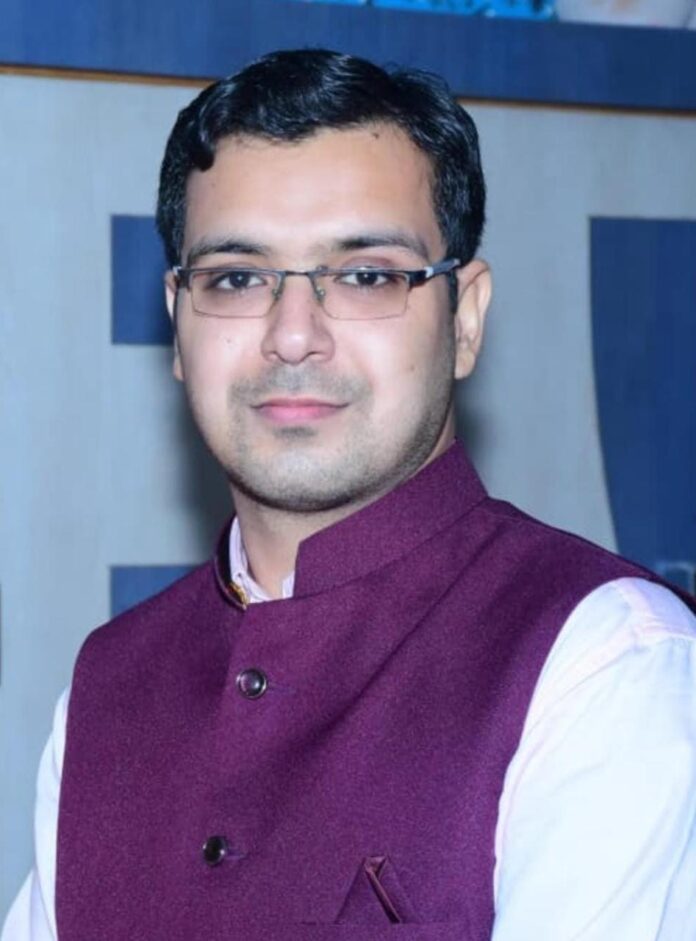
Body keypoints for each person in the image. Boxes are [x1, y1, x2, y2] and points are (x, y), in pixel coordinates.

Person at [3, 48, 696, 941]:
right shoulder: (109, 687)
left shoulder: (605, 665)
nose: (294, 335)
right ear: (177, 321)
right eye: (237, 277)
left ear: (465, 318)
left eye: (367, 275)